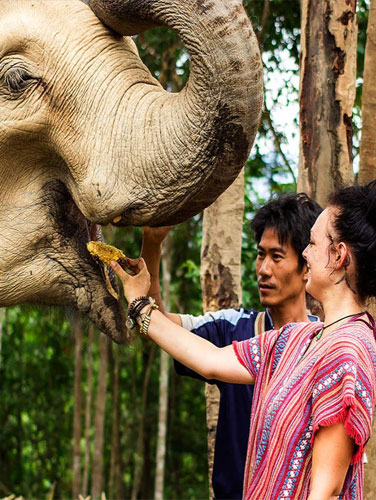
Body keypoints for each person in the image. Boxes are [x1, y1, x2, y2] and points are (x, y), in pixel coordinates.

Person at [111, 180, 376, 499]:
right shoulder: (296, 339)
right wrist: (139, 302)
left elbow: (327, 492)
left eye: (313, 245)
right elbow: (209, 360)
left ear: (339, 257)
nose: (306, 253)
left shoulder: (349, 349)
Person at [140, 193, 322, 500]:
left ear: (307, 267)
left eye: (277, 257)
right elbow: (157, 325)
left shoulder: (326, 344)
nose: (263, 269)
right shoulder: (234, 328)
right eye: (260, 255)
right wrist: (153, 244)